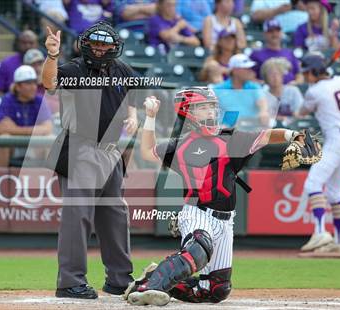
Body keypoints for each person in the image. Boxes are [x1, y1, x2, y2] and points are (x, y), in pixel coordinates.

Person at [124, 87, 310, 306]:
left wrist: (292, 135)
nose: (210, 112)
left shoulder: (230, 138)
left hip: (226, 219)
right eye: (203, 107)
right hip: (197, 212)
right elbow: (147, 151)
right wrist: (151, 118)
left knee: (215, 290)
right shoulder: (180, 145)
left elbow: (267, 135)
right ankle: (150, 288)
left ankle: (151, 278)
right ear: (187, 112)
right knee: (198, 251)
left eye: (212, 106)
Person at [42, 21, 138, 299]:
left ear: (113, 46)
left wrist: (132, 115)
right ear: (85, 45)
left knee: (115, 216)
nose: (99, 49)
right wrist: (51, 56)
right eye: (95, 44)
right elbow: (49, 83)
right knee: (78, 216)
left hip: (110, 149)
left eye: (104, 44)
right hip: (80, 146)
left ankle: (119, 279)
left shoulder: (121, 69)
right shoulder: (75, 68)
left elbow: (132, 91)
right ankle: (70, 281)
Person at [297, 52, 340, 254]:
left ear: (313, 72)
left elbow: (302, 112)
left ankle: (320, 232)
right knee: (334, 192)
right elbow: (330, 82)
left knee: (312, 183)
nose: (304, 77)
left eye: (306, 73)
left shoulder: (315, 91)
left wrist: (313, 87)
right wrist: (317, 78)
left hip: (335, 141)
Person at [0, 65, 53, 167]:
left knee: (50, 139)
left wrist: (15, 129)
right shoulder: (8, 99)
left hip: (35, 146)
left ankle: (48, 180)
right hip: (14, 146)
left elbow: (48, 128)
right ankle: (0, 178)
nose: (33, 87)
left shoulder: (39, 100)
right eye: (28, 83)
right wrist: (35, 130)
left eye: (34, 82)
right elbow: (0, 128)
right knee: (4, 138)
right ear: (18, 86)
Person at [210, 53, 270, 127]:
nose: (250, 71)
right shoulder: (217, 89)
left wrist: (263, 111)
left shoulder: (254, 87)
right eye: (246, 68)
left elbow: (261, 101)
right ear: (235, 71)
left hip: (250, 131)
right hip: (226, 133)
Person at [250, 19, 301, 84]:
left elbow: (299, 75)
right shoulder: (256, 54)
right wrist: (264, 85)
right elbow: (250, 77)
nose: (274, 34)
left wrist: (294, 83)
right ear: (264, 34)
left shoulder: (289, 53)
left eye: (277, 31)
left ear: (281, 32)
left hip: (289, 90)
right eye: (271, 31)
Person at [0, 30, 39, 96]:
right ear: (18, 44)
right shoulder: (6, 64)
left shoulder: (45, 64)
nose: (27, 46)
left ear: (37, 44)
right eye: (24, 43)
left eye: (31, 43)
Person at [261, 58, 303, 122]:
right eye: (271, 74)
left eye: (278, 73)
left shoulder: (293, 91)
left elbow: (299, 114)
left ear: (282, 75)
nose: (275, 77)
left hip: (292, 128)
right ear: (265, 76)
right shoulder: (262, 93)